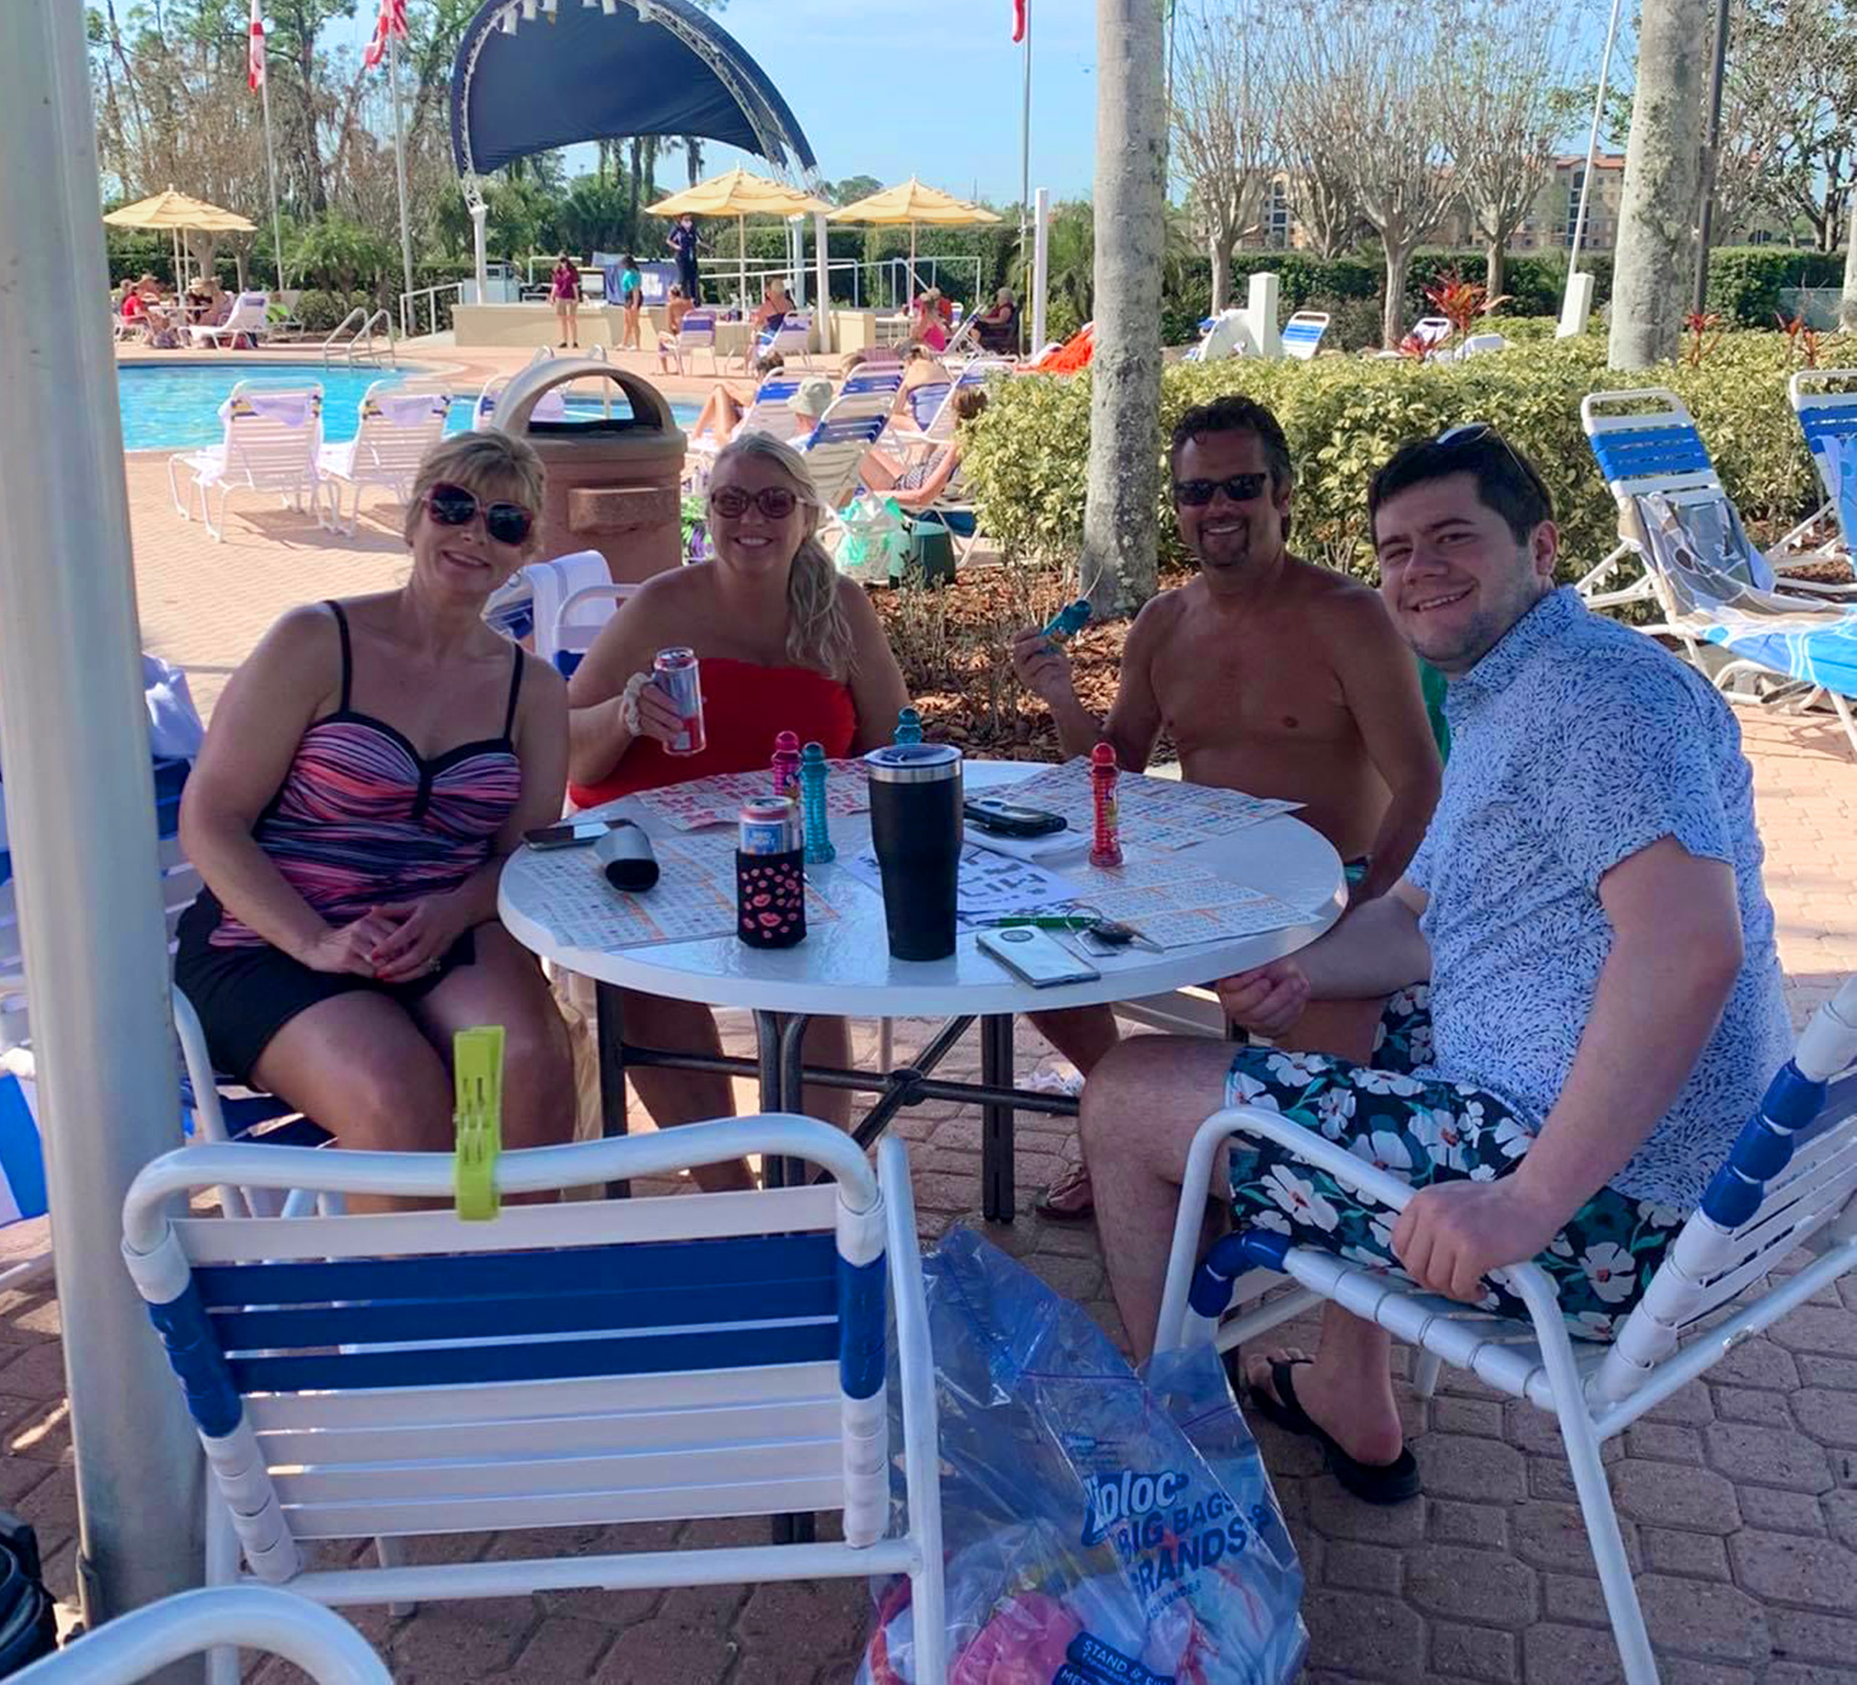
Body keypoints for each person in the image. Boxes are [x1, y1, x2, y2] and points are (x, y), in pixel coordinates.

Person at [1081, 426, 1792, 1504]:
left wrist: (1526, 1202)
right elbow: (1418, 925)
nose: (1421, 571)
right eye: (1398, 550)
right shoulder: (1524, 686)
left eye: (1454, 537)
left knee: (1127, 1096)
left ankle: (1169, 1454)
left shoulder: (1596, 704)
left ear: (1543, 548)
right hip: (1651, 1160)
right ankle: (1347, 1392)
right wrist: (1304, 970)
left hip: (1608, 1214)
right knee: (1339, 1009)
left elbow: (1690, 945)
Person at [1010, 398, 1443, 1218]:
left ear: (1282, 494)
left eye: (1240, 487)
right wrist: (1064, 698)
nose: (1217, 510)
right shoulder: (1163, 624)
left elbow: (1420, 784)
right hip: (1192, 884)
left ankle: (1279, 1210)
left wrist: (1369, 914)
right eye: (1195, 492)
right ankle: (1130, 1126)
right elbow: (1113, 774)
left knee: (1323, 1098)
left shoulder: (1350, 618)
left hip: (1326, 894)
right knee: (1030, 950)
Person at [175, 431, 577, 1212]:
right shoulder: (316, 643)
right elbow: (213, 818)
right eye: (454, 506)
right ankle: (404, 1312)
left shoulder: (529, 689)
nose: (473, 534)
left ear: (526, 550)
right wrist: (315, 941)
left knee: (523, 1062)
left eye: (505, 522)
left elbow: (523, 854)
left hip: (438, 934)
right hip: (275, 939)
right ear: (414, 516)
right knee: (402, 1103)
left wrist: (452, 911)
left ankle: (491, 1266)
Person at [565, 432, 910, 1189]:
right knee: (649, 990)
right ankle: (732, 1193)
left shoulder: (841, 608)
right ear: (707, 513)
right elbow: (565, 742)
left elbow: (892, 744)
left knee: (813, 968)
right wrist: (625, 714)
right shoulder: (662, 606)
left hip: (793, 847)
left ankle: (812, 1190)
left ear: (806, 516)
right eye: (730, 500)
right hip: (656, 849)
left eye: (773, 501)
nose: (750, 518)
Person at [859, 388, 985, 513]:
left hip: (903, 490)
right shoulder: (981, 442)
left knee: (854, 450)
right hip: (910, 476)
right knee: (863, 444)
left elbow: (921, 498)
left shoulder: (957, 450)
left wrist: (876, 496)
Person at [690, 351, 786, 448]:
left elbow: (732, 391)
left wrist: (722, 382)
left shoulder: (756, 397)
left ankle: (695, 435)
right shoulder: (786, 395)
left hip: (732, 441)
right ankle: (697, 434)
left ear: (761, 375)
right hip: (767, 441)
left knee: (719, 390)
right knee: (734, 402)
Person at [972, 287, 1019, 355]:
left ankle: (975, 346)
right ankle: (974, 346)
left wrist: (985, 320)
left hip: (996, 330)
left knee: (976, 325)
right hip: (993, 328)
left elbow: (1001, 320)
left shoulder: (1006, 308)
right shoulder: (1001, 307)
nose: (997, 299)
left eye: (999, 297)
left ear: (1004, 298)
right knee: (975, 324)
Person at [550, 253, 580, 350]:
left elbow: (574, 285)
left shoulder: (572, 271)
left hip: (570, 297)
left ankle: (575, 341)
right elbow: (556, 285)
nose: (563, 263)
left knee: (571, 319)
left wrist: (577, 297)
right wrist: (552, 296)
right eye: (561, 261)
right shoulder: (557, 271)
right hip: (561, 297)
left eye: (564, 260)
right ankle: (564, 341)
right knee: (563, 320)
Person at [668, 214, 699, 302]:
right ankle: (682, 297)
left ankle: (693, 299)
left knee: (693, 277)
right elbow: (669, 240)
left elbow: (698, 240)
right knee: (683, 278)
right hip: (681, 256)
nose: (688, 221)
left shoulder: (692, 230)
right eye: (686, 219)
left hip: (691, 256)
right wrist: (676, 247)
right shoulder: (677, 229)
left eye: (689, 219)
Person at [619, 262, 644, 350]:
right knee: (627, 322)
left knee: (634, 322)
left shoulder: (634, 274)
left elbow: (635, 289)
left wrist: (635, 303)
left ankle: (637, 345)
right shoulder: (627, 273)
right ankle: (624, 343)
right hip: (627, 297)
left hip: (633, 297)